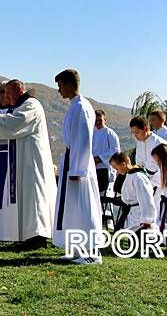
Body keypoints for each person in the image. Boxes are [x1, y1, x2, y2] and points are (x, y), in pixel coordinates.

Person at [0, 79, 55, 248]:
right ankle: (26, 236)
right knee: (25, 198)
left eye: (8, 93)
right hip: (23, 161)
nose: (6, 97)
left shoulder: (31, 105)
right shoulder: (21, 106)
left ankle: (37, 236)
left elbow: (14, 123)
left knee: (33, 198)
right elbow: (8, 122)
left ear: (18, 89)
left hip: (33, 161)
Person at [51, 69, 103, 265]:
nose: (59, 90)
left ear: (70, 84)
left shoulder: (81, 107)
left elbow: (82, 140)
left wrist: (77, 169)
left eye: (60, 85)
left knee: (84, 207)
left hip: (78, 165)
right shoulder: (75, 106)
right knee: (72, 208)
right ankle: (76, 248)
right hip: (71, 161)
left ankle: (93, 251)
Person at [108, 152, 156, 233]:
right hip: (132, 214)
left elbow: (146, 199)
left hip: (140, 217)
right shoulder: (129, 176)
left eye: (117, 168)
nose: (117, 172)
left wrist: (147, 220)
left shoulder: (138, 177)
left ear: (123, 164)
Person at [130, 116, 167, 190]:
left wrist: (151, 182)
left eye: (137, 133)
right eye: (133, 133)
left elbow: (165, 167)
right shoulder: (140, 142)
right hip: (144, 180)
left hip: (158, 183)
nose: (135, 136)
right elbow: (139, 163)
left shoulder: (159, 143)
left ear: (146, 129)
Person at [93, 110, 121, 195]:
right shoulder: (93, 134)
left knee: (105, 196)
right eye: (95, 120)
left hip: (106, 169)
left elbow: (115, 151)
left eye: (100, 120)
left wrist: (99, 158)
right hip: (94, 169)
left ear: (105, 120)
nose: (97, 122)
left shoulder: (110, 133)